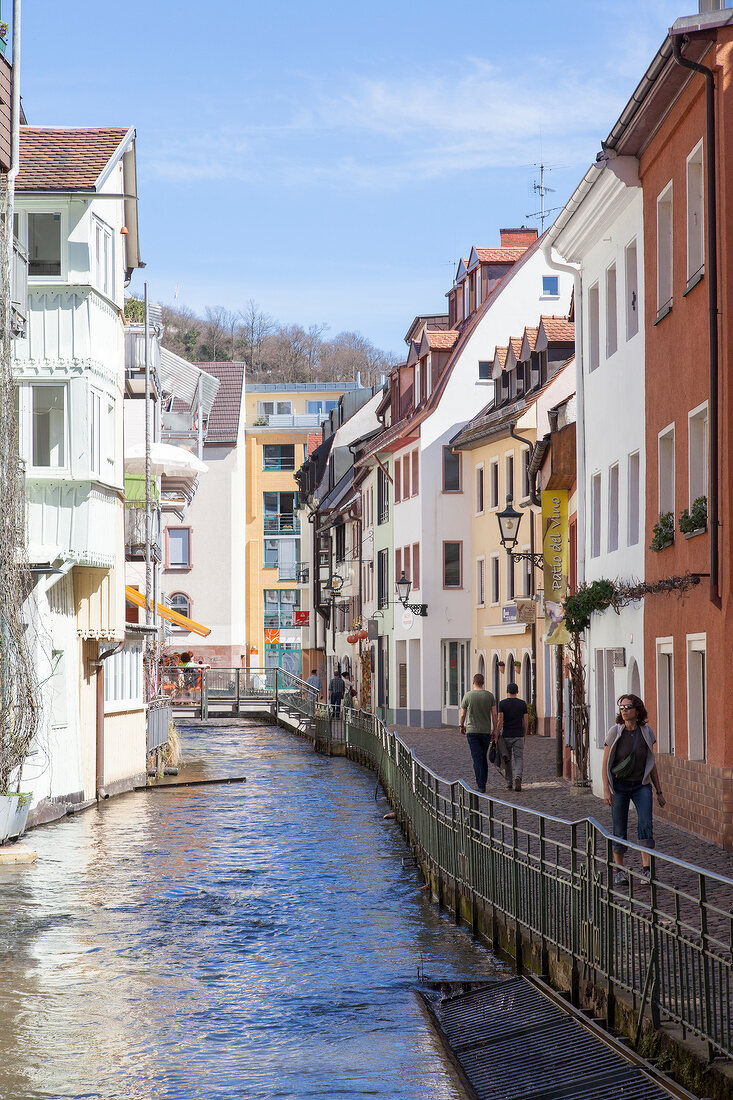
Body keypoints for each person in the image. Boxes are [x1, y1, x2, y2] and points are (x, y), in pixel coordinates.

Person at [602, 694, 666, 887]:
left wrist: (659, 791)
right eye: (621, 707)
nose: (624, 710)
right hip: (620, 787)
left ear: (637, 711)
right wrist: (606, 789)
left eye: (628, 707)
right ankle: (619, 871)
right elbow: (605, 764)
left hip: (641, 785)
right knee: (619, 828)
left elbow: (651, 763)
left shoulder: (647, 732)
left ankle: (646, 870)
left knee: (646, 824)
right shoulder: (615, 732)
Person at [459, 673, 497, 794]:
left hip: (472, 731)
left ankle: (481, 785)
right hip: (485, 731)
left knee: (477, 758)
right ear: (483, 682)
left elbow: (463, 714)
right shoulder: (489, 696)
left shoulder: (468, 696)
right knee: (483, 757)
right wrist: (495, 729)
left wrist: (461, 725)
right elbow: (495, 714)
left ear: (473, 682)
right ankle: (483, 782)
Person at [497, 682, 528, 792]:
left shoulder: (502, 704)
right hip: (518, 734)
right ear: (517, 692)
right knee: (519, 758)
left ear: (507, 691)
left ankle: (509, 782)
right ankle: (518, 777)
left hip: (506, 735)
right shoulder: (522, 704)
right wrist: (525, 733)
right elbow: (525, 721)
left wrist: (497, 733)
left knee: (507, 759)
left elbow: (500, 720)